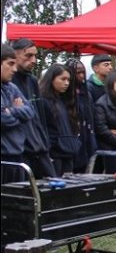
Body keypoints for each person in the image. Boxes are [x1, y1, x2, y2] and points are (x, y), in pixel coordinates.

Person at [10, 38, 55, 179]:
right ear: (14, 55)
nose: (34, 60)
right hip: (20, 150)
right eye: (28, 56)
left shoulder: (32, 80)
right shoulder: (8, 82)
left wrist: (45, 143)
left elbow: (38, 115)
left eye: (35, 56)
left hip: (40, 148)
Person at [1, 43, 36, 184]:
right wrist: (18, 115)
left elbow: (30, 112)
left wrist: (11, 111)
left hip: (17, 156)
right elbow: (3, 119)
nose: (14, 69)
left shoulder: (12, 87)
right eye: (10, 64)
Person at [38, 64, 80, 176]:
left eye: (68, 80)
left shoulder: (65, 100)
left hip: (68, 152)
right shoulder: (43, 101)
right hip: (53, 154)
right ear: (51, 79)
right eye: (63, 79)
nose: (66, 83)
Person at [65, 58, 98, 173]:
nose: (81, 75)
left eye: (83, 72)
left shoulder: (86, 94)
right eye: (78, 72)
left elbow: (92, 117)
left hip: (86, 138)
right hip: (71, 140)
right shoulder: (65, 94)